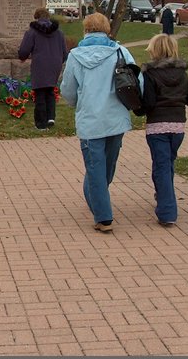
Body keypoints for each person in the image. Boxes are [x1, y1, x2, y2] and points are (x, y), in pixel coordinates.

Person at [59, 12, 141, 233]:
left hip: (90, 120)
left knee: (97, 168)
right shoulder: (121, 52)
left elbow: (67, 89)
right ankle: (103, 215)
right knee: (106, 166)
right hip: (116, 118)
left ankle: (97, 203)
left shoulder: (75, 56)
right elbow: (137, 81)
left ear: (86, 30)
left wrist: (78, 102)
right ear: (107, 30)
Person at [133, 34, 188, 227]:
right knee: (166, 164)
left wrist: (137, 108)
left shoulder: (149, 74)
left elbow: (148, 103)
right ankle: (162, 194)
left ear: (154, 50)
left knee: (162, 166)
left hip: (157, 128)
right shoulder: (182, 75)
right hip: (178, 128)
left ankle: (167, 212)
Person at [18, 7, 68, 130]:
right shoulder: (59, 32)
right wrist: (58, 61)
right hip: (55, 64)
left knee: (40, 92)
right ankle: (51, 117)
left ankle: (41, 123)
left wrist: (22, 57)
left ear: (37, 17)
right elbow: (64, 53)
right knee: (50, 90)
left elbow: (24, 50)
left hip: (40, 64)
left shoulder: (32, 32)